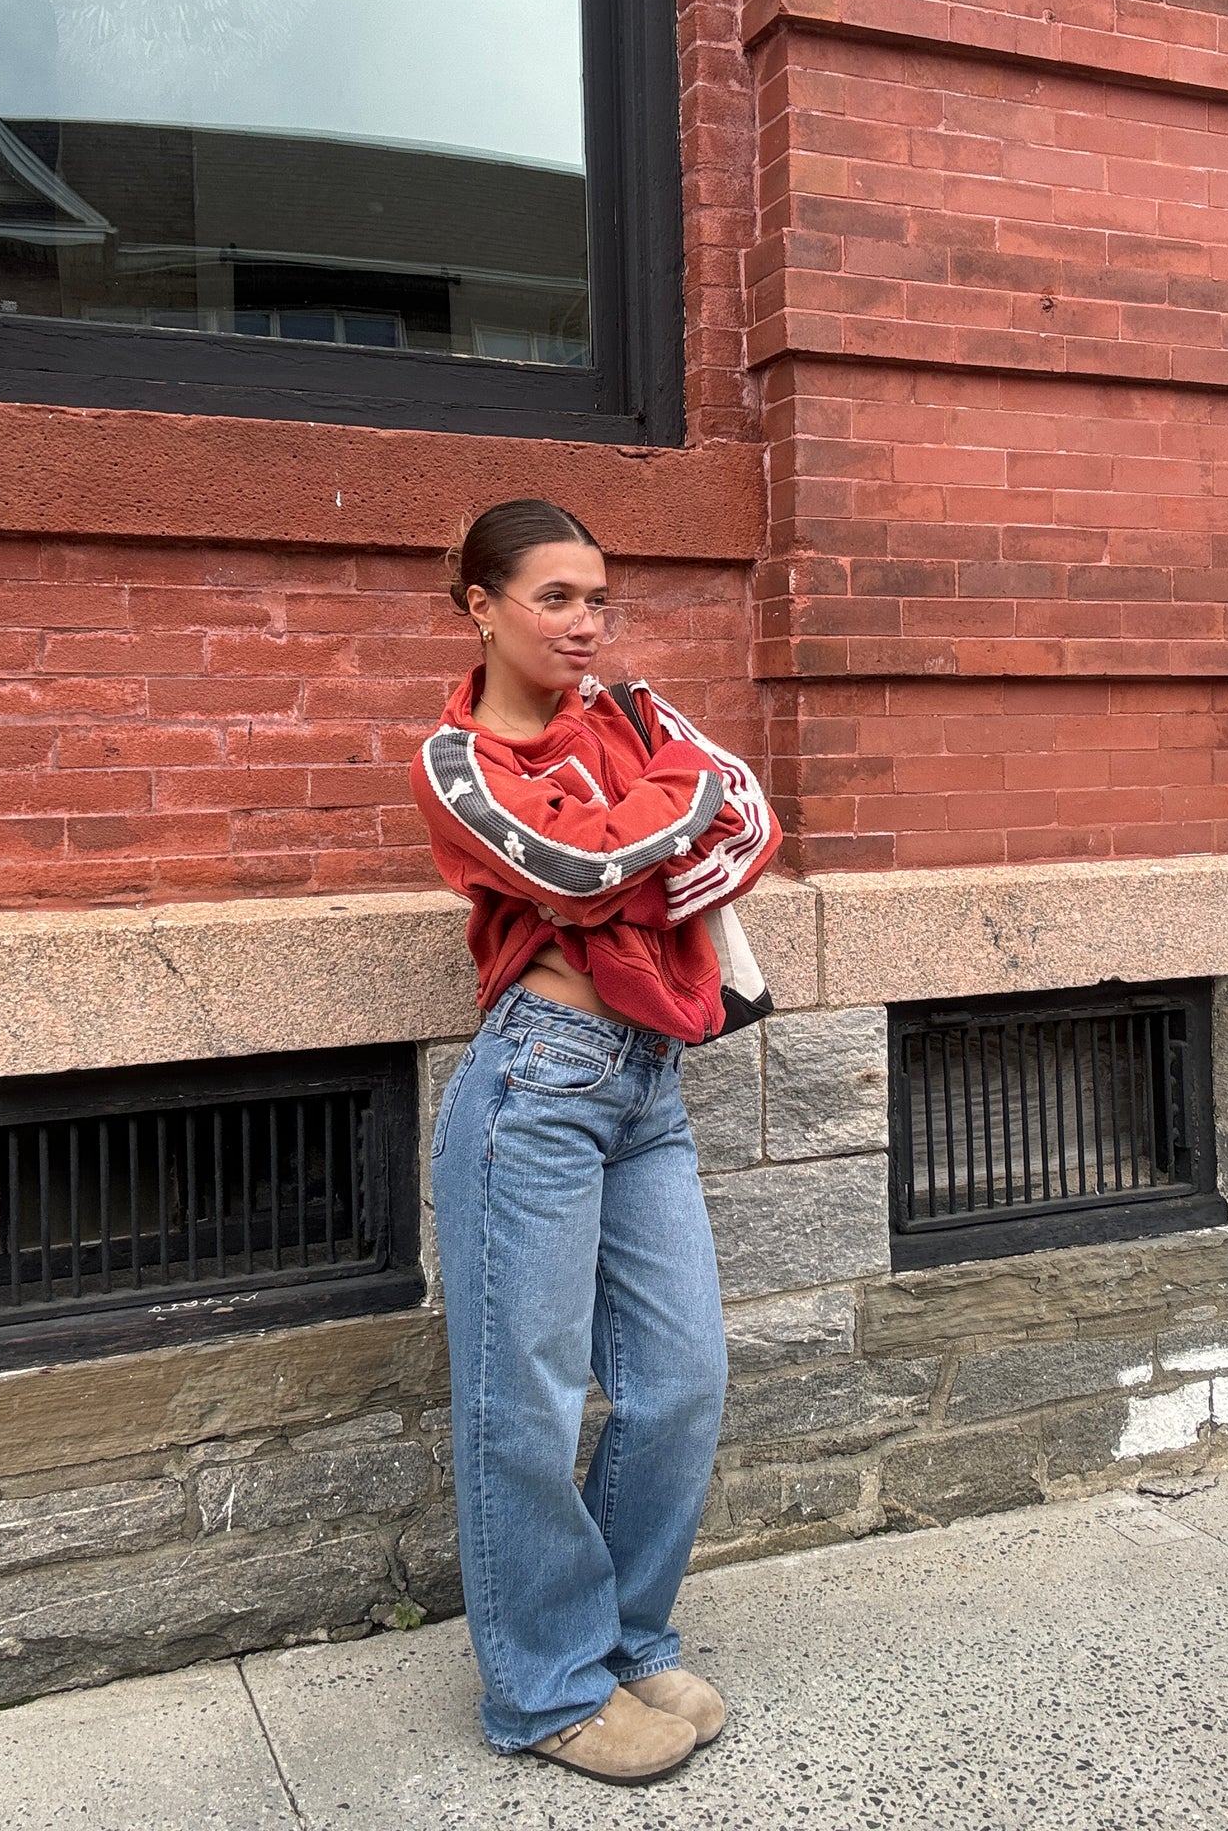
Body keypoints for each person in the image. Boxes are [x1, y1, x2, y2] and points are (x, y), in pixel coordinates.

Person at [409, 498, 781, 1785]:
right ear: (481, 606)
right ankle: (547, 1687)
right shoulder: (459, 762)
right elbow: (575, 868)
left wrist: (661, 827)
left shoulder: (628, 715)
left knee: (681, 1378)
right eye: (555, 597)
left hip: (649, 1087)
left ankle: (623, 1638)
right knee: (526, 1399)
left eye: (598, 599)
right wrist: (678, 811)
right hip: (539, 1088)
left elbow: (751, 813)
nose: (586, 623)